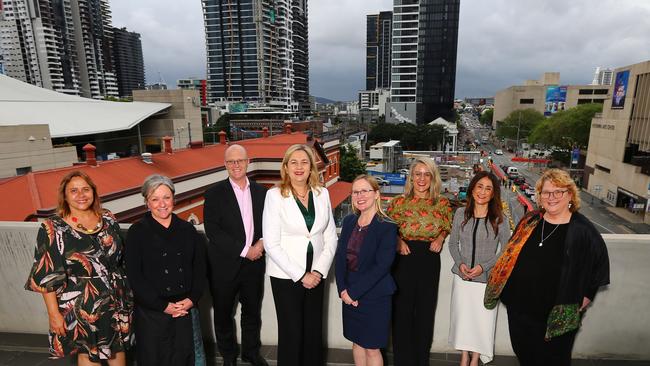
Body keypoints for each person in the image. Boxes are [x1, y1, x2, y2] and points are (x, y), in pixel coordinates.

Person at [484, 169, 610, 366]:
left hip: (555, 315)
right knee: (525, 356)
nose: (551, 197)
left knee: (553, 360)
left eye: (558, 192)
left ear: (570, 195)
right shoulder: (530, 220)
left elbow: (599, 268)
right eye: (546, 192)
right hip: (519, 310)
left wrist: (583, 300)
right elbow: (511, 253)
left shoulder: (582, 230)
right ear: (540, 196)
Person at [25, 170, 133, 365]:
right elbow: (47, 277)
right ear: (64, 196)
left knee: (117, 350)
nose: (81, 195)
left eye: (86, 189)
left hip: (117, 300)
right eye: (73, 190)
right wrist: (54, 315)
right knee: (87, 352)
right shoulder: (53, 227)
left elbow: (121, 257)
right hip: (81, 305)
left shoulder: (107, 218)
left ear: (93, 192)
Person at [262, 144, 338, 366]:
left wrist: (318, 271)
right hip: (287, 275)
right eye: (293, 162)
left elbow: (331, 238)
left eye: (304, 162)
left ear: (311, 167)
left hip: (316, 273)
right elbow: (272, 244)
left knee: (313, 332)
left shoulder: (322, 193)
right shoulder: (274, 196)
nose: (299, 167)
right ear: (285, 167)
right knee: (291, 333)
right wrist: (301, 274)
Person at [125, 175, 206, 366]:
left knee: (188, 358)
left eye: (166, 197)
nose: (162, 204)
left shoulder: (188, 230)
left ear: (174, 199)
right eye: (155, 199)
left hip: (185, 309)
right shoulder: (137, 232)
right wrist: (163, 306)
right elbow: (135, 277)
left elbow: (200, 269)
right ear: (147, 203)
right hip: (152, 312)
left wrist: (191, 299)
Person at [203, 144, 268, 366]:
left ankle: (251, 353)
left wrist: (261, 243)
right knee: (223, 316)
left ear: (248, 162)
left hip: (254, 265)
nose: (236, 165)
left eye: (240, 160)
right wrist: (245, 250)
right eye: (231, 162)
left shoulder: (262, 193)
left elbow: (271, 225)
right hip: (224, 267)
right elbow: (213, 231)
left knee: (252, 313)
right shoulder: (213, 194)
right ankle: (229, 357)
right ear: (225, 165)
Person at [386, 157, 453, 366]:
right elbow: (387, 228)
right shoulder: (398, 202)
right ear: (411, 177)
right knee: (401, 312)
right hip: (403, 259)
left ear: (432, 178)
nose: (422, 179)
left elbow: (447, 226)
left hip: (429, 259)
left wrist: (441, 238)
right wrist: (397, 240)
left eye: (427, 174)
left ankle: (420, 361)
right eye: (418, 174)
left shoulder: (441, 203)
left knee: (425, 313)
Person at [447, 171, 511, 365]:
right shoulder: (460, 214)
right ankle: (464, 356)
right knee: (464, 320)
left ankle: (475, 358)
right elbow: (452, 244)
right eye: (479, 187)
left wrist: (483, 267)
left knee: (481, 322)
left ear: (493, 194)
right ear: (472, 189)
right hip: (463, 279)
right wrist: (461, 265)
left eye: (488, 188)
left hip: (486, 281)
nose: (483, 192)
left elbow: (506, 250)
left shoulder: (500, 219)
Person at [335, 175, 397, 366]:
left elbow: (382, 266)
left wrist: (353, 293)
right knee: (357, 341)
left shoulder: (387, 226)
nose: (359, 196)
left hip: (375, 296)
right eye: (355, 192)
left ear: (376, 194)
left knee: (372, 346)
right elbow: (340, 259)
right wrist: (343, 290)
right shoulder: (348, 222)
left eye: (365, 191)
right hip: (349, 293)